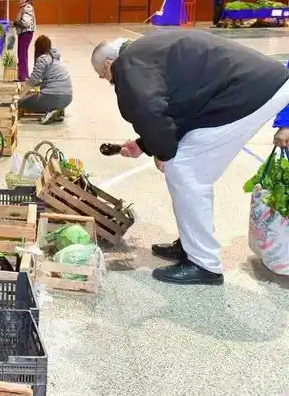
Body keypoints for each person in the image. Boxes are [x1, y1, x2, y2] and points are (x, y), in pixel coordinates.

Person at [91, 31, 289, 285]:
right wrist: (145, 144)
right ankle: (191, 244)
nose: (109, 81)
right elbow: (181, 104)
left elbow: (151, 113)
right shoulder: (146, 50)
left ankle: (204, 263)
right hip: (256, 84)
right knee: (185, 166)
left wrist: (162, 152)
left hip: (250, 93)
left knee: (185, 171)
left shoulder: (128, 66)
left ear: (109, 64)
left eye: (104, 76)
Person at [19, 35, 73, 124]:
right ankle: (56, 110)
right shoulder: (56, 59)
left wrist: (20, 96)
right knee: (40, 100)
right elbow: (50, 79)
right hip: (67, 98)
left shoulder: (42, 59)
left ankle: (51, 110)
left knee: (23, 102)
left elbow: (33, 80)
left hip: (53, 96)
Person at [14, 0, 37, 81]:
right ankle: (23, 75)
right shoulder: (23, 7)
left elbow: (26, 23)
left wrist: (16, 23)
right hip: (23, 33)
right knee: (22, 54)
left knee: (22, 54)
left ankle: (23, 77)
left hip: (26, 33)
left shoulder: (27, 8)